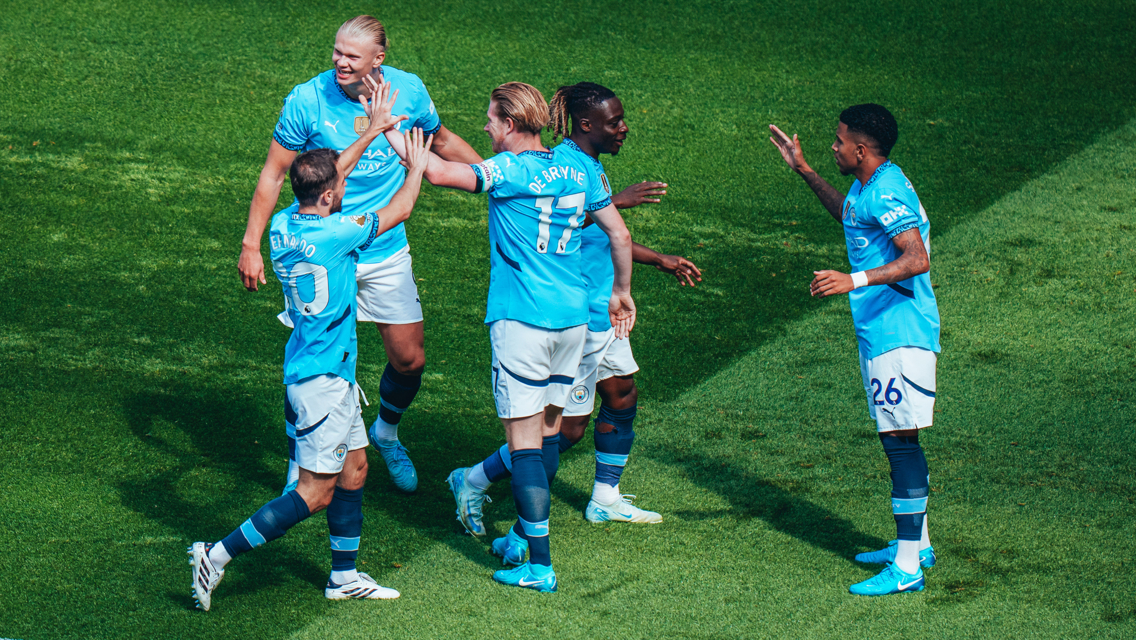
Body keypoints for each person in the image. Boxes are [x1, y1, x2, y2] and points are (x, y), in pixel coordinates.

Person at [381, 79, 636, 593]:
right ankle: (518, 539)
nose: (485, 127)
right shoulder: (582, 166)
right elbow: (620, 233)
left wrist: (388, 127)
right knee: (546, 436)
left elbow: (434, 171)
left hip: (522, 324)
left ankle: (538, 564)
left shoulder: (507, 169)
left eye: (491, 119)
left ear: (511, 124)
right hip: (573, 324)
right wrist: (622, 293)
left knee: (523, 445)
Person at [189, 85, 432, 611]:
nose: (344, 187)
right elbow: (401, 207)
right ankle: (216, 554)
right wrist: (414, 163)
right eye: (339, 185)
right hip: (321, 379)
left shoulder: (281, 226)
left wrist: (367, 132)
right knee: (315, 494)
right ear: (328, 196)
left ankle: (343, 576)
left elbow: (326, 174)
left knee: (357, 469)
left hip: (321, 370)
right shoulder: (340, 233)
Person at [446, 83, 703, 552]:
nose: (624, 128)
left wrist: (656, 259)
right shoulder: (567, 167)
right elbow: (565, 224)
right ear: (586, 126)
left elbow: (612, 236)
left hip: (600, 309)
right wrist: (617, 208)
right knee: (562, 432)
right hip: (573, 315)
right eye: (614, 122)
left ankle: (603, 497)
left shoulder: (587, 168)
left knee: (622, 395)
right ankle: (480, 483)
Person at [237, 15, 482, 495]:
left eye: (351, 55)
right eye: (336, 51)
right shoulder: (307, 100)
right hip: (324, 252)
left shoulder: (409, 92)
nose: (339, 61)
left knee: (409, 360)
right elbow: (273, 174)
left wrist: (496, 175)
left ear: (379, 59)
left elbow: (444, 139)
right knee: (313, 356)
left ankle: (386, 432)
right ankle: (299, 461)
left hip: (384, 249)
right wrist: (250, 244)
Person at [769, 104, 940, 596]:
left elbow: (917, 258)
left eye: (839, 140)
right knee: (897, 437)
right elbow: (850, 216)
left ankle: (908, 568)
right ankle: (918, 544)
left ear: (861, 150)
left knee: (900, 443)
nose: (834, 146)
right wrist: (805, 172)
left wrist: (854, 279)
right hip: (881, 330)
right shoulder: (872, 184)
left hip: (900, 333)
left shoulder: (885, 190)